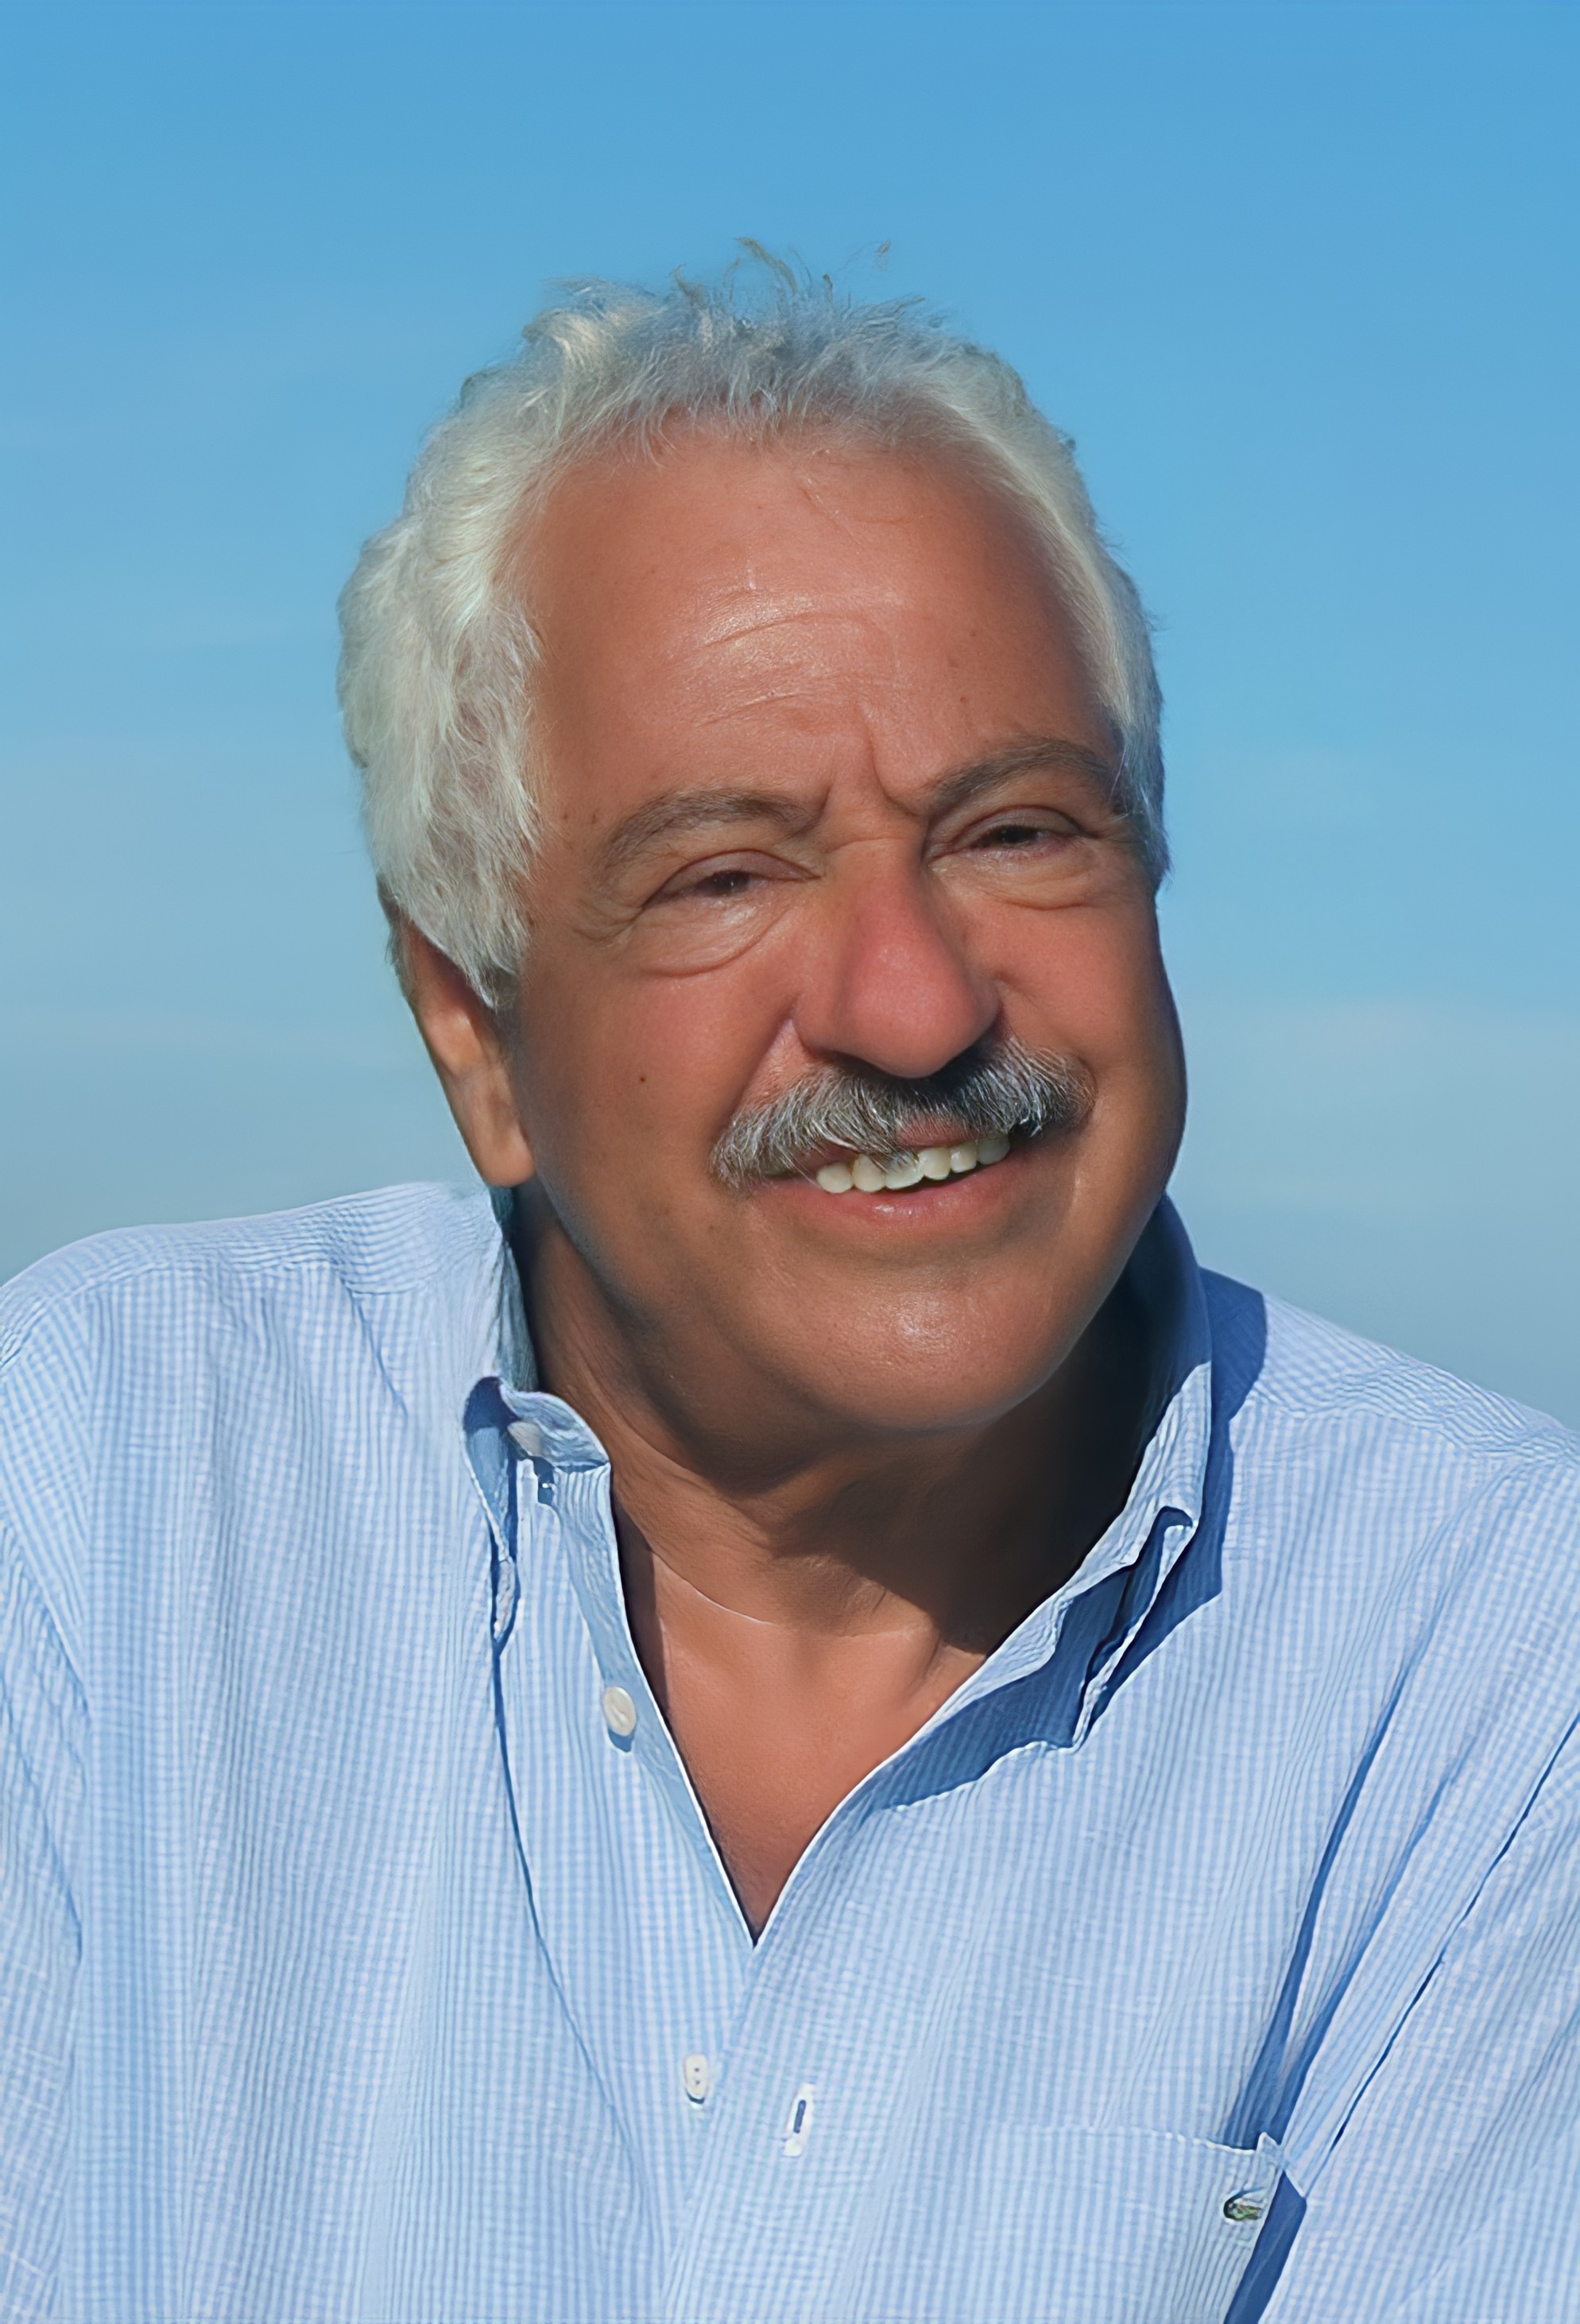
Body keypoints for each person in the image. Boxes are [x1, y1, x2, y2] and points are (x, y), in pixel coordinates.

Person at [2, 260, 1577, 2324]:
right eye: (723, 874)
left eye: (1016, 830)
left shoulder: (1498, 1671)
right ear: (474, 1031)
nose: (910, 1008)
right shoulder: (98, 1500)